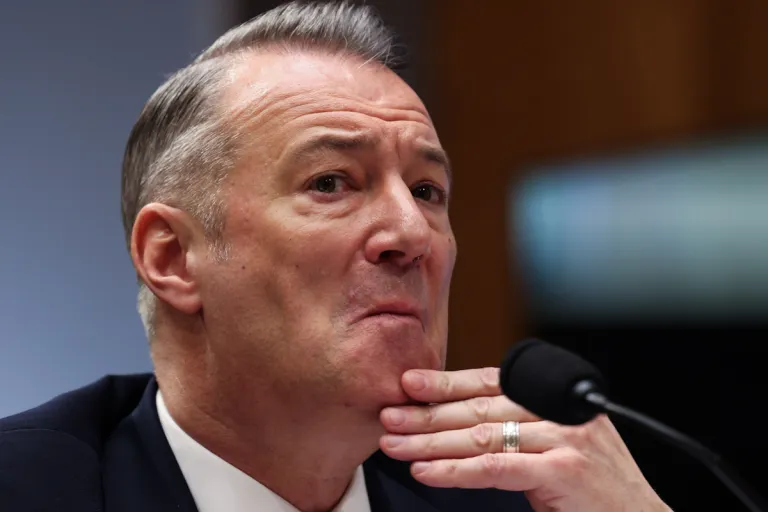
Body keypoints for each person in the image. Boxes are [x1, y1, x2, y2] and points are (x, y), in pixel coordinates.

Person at [0, 2, 671, 511]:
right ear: (174, 258)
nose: (411, 233)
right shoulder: (31, 485)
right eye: (331, 183)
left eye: (428, 190)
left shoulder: (525, 496)